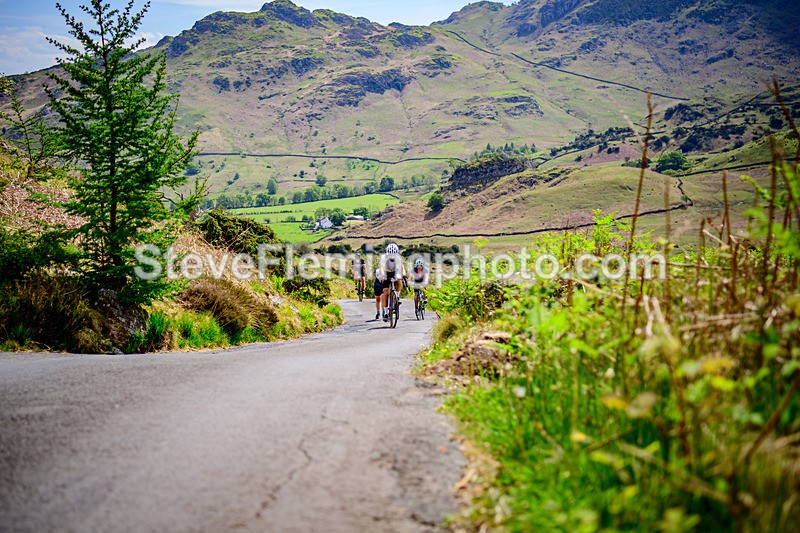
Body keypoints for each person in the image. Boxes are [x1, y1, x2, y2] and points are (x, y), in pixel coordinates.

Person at [379, 243, 405, 322]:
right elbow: (381, 268)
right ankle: (385, 312)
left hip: (395, 272)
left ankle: (397, 296)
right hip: (386, 272)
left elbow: (401, 268)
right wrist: (383, 276)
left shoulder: (399, 258)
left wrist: (403, 275)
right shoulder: (384, 258)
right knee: (385, 292)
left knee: (399, 281)